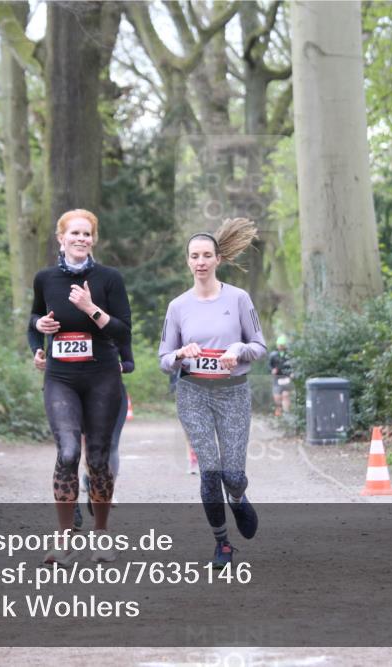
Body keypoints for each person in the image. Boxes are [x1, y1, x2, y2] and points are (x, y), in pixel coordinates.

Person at [158, 218, 267, 568]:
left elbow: (259, 346)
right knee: (210, 471)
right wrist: (179, 355)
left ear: (218, 259)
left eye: (207, 255)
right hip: (193, 394)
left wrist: (238, 349)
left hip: (233, 392)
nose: (200, 261)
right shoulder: (178, 306)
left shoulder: (238, 299)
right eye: (194, 256)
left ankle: (238, 498)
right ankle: (222, 543)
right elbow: (163, 358)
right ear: (188, 261)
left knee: (232, 475)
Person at [28, 209, 131, 564]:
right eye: (74, 233)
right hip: (60, 378)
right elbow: (34, 320)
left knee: (99, 459)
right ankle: (64, 540)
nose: (81, 239)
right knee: (68, 452)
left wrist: (91, 308)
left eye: (87, 234)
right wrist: (37, 339)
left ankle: (101, 535)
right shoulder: (45, 279)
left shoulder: (109, 278)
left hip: (102, 376)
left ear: (93, 240)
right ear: (61, 238)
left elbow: (122, 329)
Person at [34, 340, 133, 528]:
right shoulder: (61, 318)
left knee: (108, 446)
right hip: (68, 390)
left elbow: (129, 363)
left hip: (107, 391)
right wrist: (38, 352)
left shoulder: (110, 322)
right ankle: (73, 509)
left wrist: (114, 366)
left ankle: (97, 487)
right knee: (70, 449)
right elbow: (38, 329)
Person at [268, 335, 294, 417]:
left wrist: (293, 373)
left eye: (282, 345)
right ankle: (278, 415)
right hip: (277, 378)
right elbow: (269, 366)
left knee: (286, 396)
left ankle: (287, 415)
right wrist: (272, 370)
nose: (281, 347)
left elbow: (294, 365)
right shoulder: (273, 355)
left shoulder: (289, 354)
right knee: (277, 398)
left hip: (287, 377)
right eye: (279, 345)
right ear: (277, 345)